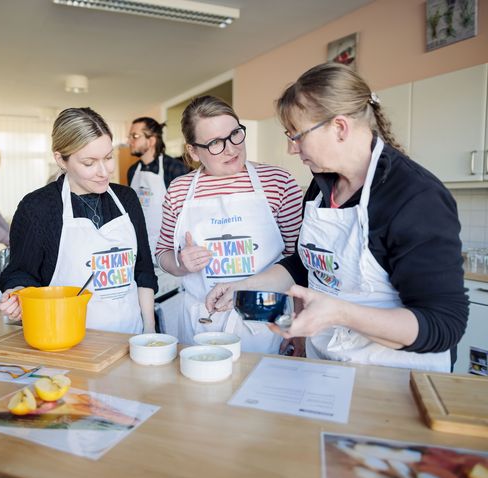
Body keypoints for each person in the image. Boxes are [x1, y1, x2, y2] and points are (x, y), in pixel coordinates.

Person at [206, 63, 468, 372]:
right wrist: (245, 285)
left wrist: (340, 314)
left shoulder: (414, 197)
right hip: (329, 365)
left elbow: (442, 324)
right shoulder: (319, 189)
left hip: (398, 378)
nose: (292, 148)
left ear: (340, 127)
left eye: (297, 135)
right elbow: (309, 264)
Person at [155, 95, 304, 352]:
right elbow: (162, 253)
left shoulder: (278, 182)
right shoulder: (180, 190)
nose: (231, 148)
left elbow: (300, 262)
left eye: (235, 134)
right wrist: (180, 263)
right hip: (202, 321)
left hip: (266, 320)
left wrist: (299, 328)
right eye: (215, 143)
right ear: (193, 150)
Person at [0, 107, 157, 334]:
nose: (105, 172)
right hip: (64, 340)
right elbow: (21, 272)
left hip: (130, 336)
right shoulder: (38, 207)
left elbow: (143, 270)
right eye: (89, 163)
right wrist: (17, 294)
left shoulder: (126, 199)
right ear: (61, 160)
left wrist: (149, 332)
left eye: (108, 158)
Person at [126, 117, 190, 260]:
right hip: (140, 253)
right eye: (129, 136)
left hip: (170, 255)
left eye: (135, 136)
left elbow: (187, 215)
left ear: (152, 140)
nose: (129, 141)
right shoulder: (132, 171)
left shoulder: (175, 169)